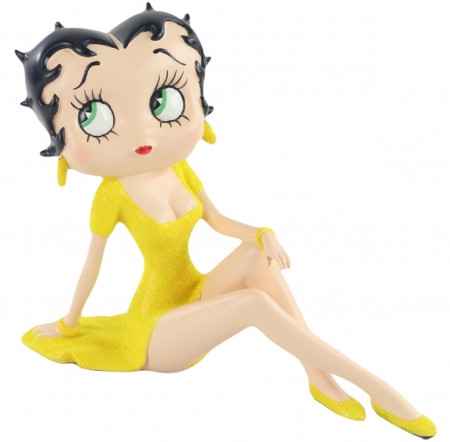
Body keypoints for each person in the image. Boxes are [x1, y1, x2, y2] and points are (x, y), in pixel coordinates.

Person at [16, 4, 436, 439]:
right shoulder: (113, 195)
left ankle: (318, 377)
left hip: (194, 295)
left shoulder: (179, 171)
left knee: (256, 256)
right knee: (254, 303)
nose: (142, 133)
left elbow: (217, 220)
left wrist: (261, 233)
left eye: (163, 101)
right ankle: (380, 389)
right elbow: (93, 265)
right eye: (96, 116)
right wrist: (69, 322)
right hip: (156, 331)